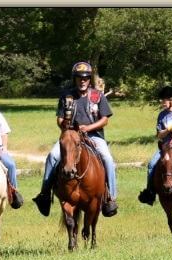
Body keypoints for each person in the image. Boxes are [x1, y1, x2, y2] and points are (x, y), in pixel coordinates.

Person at [32, 61, 119, 217]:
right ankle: (44, 195)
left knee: (107, 158)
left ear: (89, 79)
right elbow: (59, 120)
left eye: (85, 77)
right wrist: (64, 125)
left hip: (93, 135)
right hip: (71, 136)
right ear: (75, 79)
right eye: (79, 77)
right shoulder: (67, 96)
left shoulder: (97, 95)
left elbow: (105, 119)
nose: (82, 80)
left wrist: (88, 128)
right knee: (53, 156)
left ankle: (110, 198)